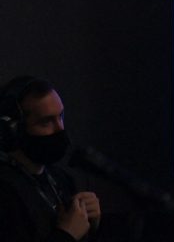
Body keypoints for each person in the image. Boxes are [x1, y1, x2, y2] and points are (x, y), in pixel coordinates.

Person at [0, 75, 101, 241]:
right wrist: (66, 235)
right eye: (46, 122)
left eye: (60, 117)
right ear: (14, 131)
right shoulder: (5, 191)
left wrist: (91, 225)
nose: (60, 129)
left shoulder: (62, 181)